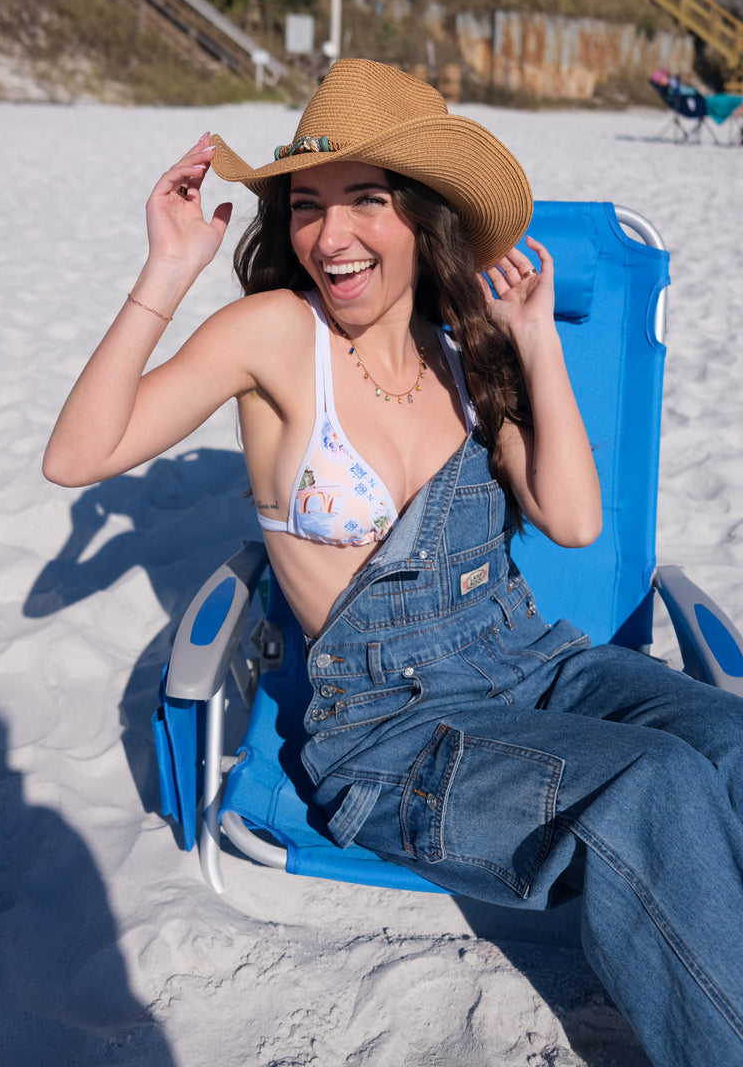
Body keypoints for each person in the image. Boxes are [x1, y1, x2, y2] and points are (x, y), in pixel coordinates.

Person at [44, 59, 743, 1067]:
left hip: (534, 658)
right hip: (390, 728)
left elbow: (574, 522)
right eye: (306, 206)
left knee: (723, 740)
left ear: (421, 217)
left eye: (364, 200)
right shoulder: (276, 338)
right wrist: (164, 273)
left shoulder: (465, 350)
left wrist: (535, 344)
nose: (329, 238)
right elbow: (77, 457)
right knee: (652, 788)